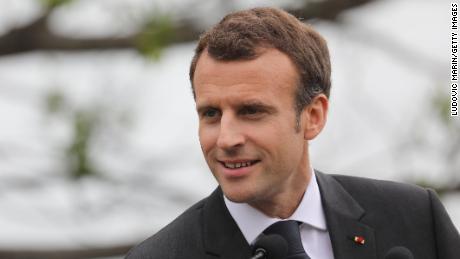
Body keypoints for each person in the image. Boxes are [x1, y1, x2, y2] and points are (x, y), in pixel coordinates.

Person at [126, 7, 460, 259]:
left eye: (251, 111)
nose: (226, 140)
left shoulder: (416, 218)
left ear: (313, 116)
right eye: (211, 113)